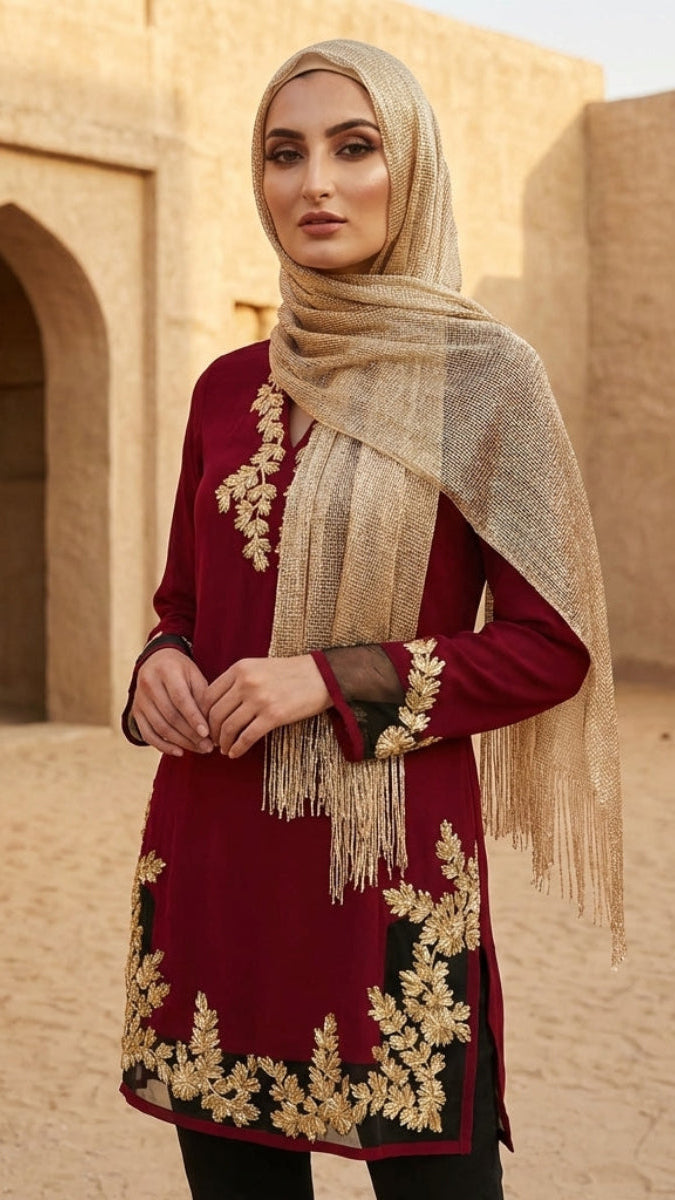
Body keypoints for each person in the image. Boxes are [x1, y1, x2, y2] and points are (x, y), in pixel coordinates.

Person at [119, 39, 624, 1200]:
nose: (315, 184)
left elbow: (553, 645)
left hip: (384, 877)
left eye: (356, 148)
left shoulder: (483, 378)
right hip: (215, 858)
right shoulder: (227, 387)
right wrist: (159, 667)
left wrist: (333, 677)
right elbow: (184, 606)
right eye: (283, 154)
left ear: (415, 165)